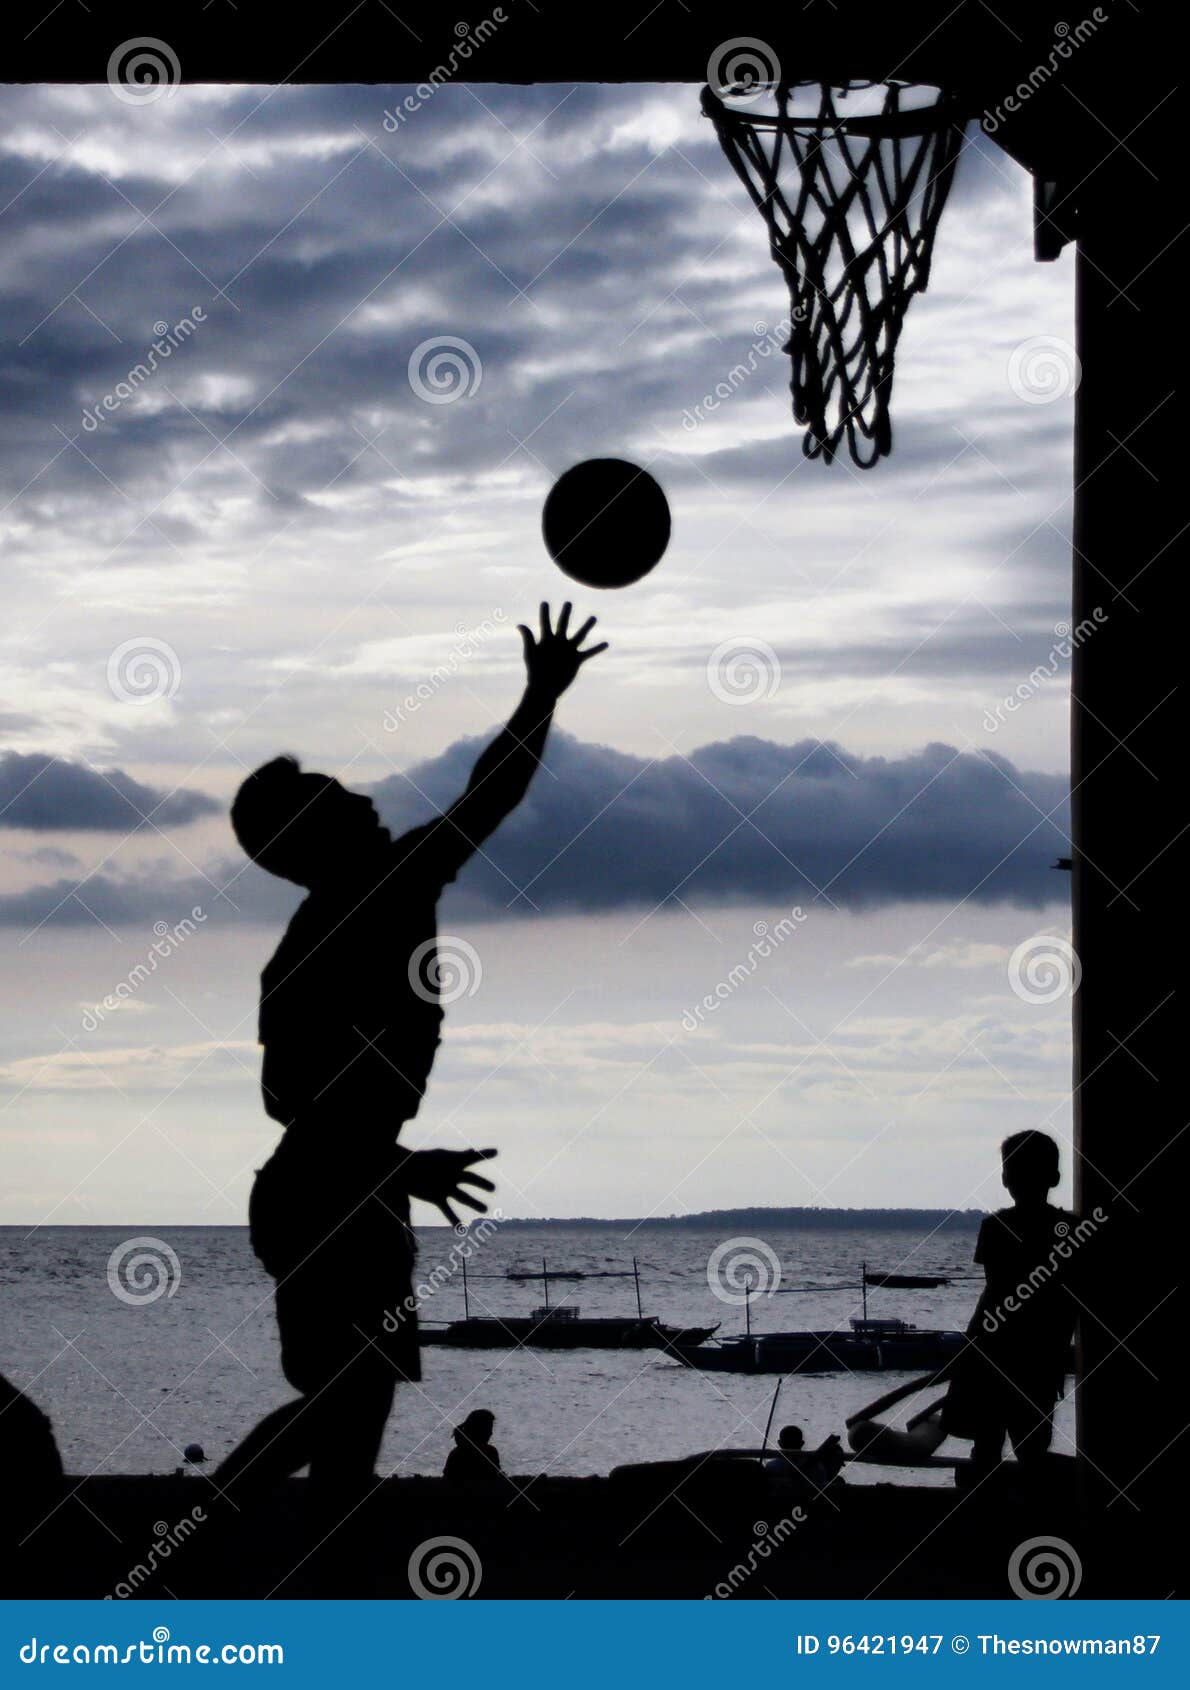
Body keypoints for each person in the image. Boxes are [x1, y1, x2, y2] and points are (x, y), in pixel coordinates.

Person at [214, 604, 607, 1511]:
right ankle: (194, 1539)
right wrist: (540, 694)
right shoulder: (364, 904)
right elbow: (297, 1107)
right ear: (312, 836)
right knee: (348, 1398)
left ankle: (306, 1593)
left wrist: (387, 1168)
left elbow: (282, 1098)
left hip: (339, 1192)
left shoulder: (350, 912)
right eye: (331, 792)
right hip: (327, 1198)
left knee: (354, 1428)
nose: (360, 795)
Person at [943, 1130, 1079, 1476]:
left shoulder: (995, 1228)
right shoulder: (1071, 1229)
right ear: (1055, 1178)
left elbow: (995, 1292)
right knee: (1032, 1445)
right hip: (1042, 1355)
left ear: (1005, 1179)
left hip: (993, 1351)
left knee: (987, 1444)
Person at [443, 1409, 504, 1487]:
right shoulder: (490, 1452)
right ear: (479, 1430)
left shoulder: (456, 1454)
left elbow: (446, 1483)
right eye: (488, 1429)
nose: (491, 1433)